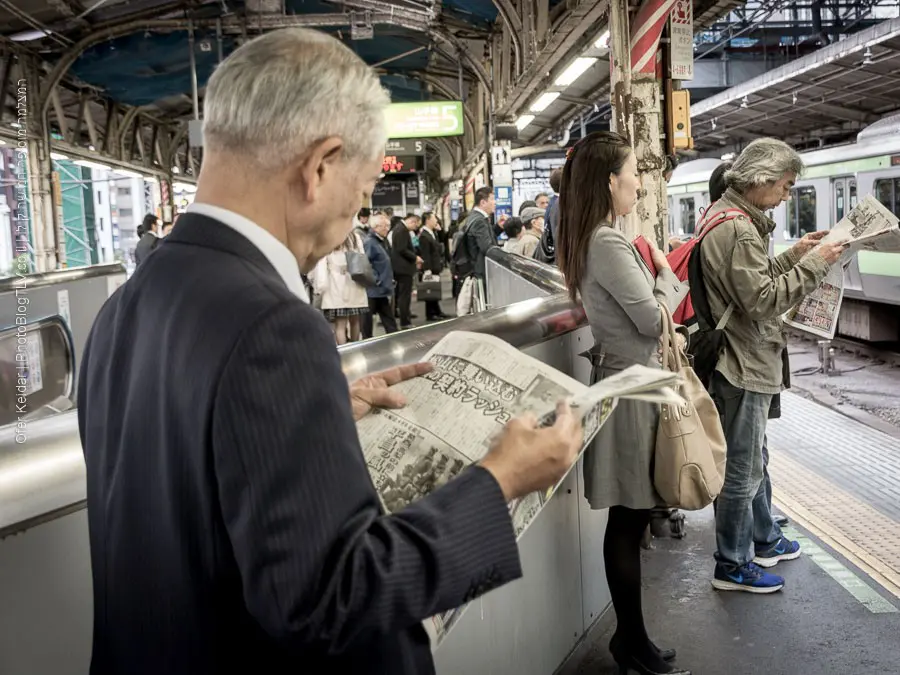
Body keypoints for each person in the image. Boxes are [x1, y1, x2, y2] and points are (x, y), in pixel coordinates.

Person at [76, 28, 584, 675]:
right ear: (319, 166)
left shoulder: (127, 306)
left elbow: (193, 487)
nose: (358, 211)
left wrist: (316, 415)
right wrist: (500, 481)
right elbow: (330, 599)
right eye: (364, 188)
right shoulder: (271, 325)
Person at [556, 131, 690, 675]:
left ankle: (632, 641)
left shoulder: (593, 236)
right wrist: (663, 269)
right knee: (628, 520)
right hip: (632, 390)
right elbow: (651, 318)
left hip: (626, 383)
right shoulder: (608, 243)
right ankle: (631, 643)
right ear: (611, 180)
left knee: (629, 519)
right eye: (634, 170)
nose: (639, 180)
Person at [699, 138, 846, 594]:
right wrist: (817, 265)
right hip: (742, 362)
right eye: (784, 186)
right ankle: (733, 564)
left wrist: (796, 254)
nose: (786, 195)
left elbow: (750, 280)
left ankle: (753, 545)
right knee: (742, 468)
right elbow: (762, 300)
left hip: (740, 358)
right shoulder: (740, 229)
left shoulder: (727, 215)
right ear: (761, 180)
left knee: (751, 460)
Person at [361, 211, 397, 337]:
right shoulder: (370, 242)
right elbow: (366, 264)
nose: (387, 229)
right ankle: (366, 342)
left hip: (381, 288)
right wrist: (376, 280)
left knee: (388, 318)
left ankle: (395, 338)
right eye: (384, 226)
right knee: (367, 320)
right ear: (375, 227)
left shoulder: (381, 241)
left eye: (388, 226)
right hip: (373, 289)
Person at [417, 211, 448, 321]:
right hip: (430, 267)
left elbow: (439, 246)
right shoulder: (424, 236)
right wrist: (427, 269)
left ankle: (437, 310)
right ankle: (430, 313)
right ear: (428, 220)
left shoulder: (432, 233)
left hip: (435, 266)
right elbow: (426, 254)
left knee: (434, 288)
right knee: (430, 289)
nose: (436, 220)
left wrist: (440, 231)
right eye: (434, 218)